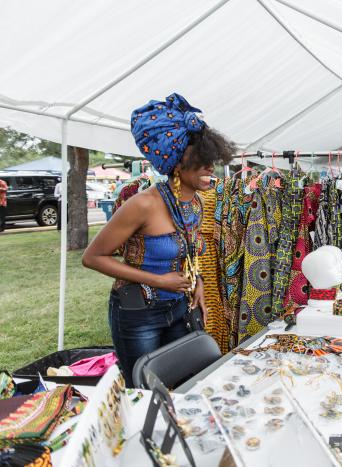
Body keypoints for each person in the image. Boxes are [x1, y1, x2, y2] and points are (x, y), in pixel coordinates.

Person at [82, 93, 235, 386]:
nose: (209, 169)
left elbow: (188, 251)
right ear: (177, 163)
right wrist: (158, 281)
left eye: (211, 162)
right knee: (145, 391)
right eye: (201, 162)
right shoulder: (143, 204)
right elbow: (92, 257)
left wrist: (198, 281)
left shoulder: (197, 202)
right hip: (138, 313)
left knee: (183, 384)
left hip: (180, 307)